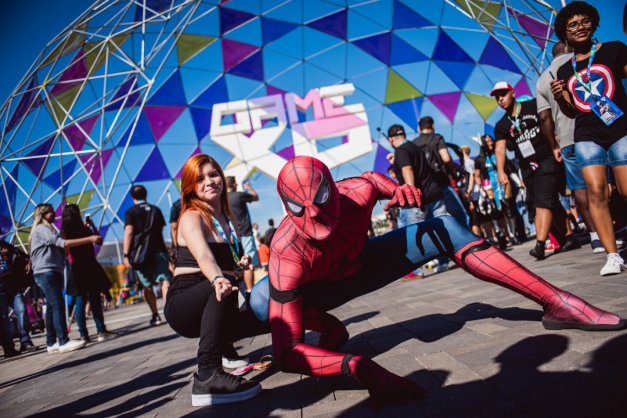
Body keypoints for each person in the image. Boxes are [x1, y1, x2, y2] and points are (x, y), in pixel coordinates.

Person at [248, 155, 626, 411]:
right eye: (303, 211)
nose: (316, 218)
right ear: (287, 209)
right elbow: (286, 352)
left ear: (332, 190)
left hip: (365, 264)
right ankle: (326, 326)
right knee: (263, 300)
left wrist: (397, 189)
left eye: (321, 203)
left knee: (446, 227)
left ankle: (557, 301)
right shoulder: (287, 250)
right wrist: (359, 368)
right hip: (321, 289)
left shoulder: (354, 194)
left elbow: (371, 181)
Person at [164, 154, 268, 406]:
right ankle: (208, 374)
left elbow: (223, 259)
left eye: (213, 174)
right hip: (185, 304)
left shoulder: (229, 219)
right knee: (224, 288)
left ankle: (288, 345)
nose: (209, 182)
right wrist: (218, 278)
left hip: (216, 297)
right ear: (190, 187)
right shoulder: (191, 217)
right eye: (199, 179)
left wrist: (237, 265)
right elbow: (203, 256)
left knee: (265, 313)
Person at [552, 1, 627, 275]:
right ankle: (612, 255)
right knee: (595, 191)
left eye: (584, 22)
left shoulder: (614, 49)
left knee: (626, 188)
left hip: (621, 127)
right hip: (587, 134)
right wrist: (561, 96)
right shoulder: (563, 70)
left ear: (593, 24)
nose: (579, 28)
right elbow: (571, 111)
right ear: (565, 33)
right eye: (572, 25)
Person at [491, 81, 580, 260]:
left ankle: (539, 244)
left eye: (503, 94)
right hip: (526, 167)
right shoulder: (501, 125)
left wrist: (556, 144)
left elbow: (550, 119)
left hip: (546, 158)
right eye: (497, 97)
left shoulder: (532, 105)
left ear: (513, 93)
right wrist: (501, 171)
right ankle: (570, 238)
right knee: (550, 201)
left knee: (543, 200)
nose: (500, 99)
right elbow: (500, 149)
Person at [537, 40, 603, 253]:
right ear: (569, 48)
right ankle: (613, 224)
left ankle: (594, 235)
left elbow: (545, 117)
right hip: (596, 129)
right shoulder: (580, 61)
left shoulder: (543, 79)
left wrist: (553, 144)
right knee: (604, 180)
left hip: (566, 139)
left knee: (579, 187)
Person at [29, 203, 100, 354]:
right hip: (46, 272)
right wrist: (89, 238)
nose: (54, 214)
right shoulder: (42, 229)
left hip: (50, 271)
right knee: (58, 304)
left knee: (52, 307)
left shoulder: (46, 230)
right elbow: (61, 244)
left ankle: (51, 342)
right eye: (51, 212)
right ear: (43, 214)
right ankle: (63, 341)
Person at [388, 124, 444, 279]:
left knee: (411, 236)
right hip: (433, 194)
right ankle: (447, 259)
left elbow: (407, 169)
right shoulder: (415, 147)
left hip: (415, 201)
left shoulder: (400, 150)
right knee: (441, 230)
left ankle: (416, 271)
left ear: (390, 139)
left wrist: (410, 194)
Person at [414, 117, 470, 271]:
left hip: (427, 190)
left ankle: (443, 261)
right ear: (433, 125)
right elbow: (446, 157)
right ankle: (467, 249)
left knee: (435, 226)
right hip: (444, 185)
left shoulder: (414, 144)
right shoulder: (437, 138)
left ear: (419, 128)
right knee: (460, 216)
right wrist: (452, 171)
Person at [61, 204, 117, 343]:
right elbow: (99, 241)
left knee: (80, 300)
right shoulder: (84, 229)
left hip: (76, 268)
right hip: (90, 265)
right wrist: (91, 226)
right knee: (94, 299)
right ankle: (101, 330)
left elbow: (65, 251)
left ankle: (83, 334)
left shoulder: (65, 233)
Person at [123, 185, 171, 324]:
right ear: (146, 195)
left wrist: (126, 254)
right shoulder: (156, 210)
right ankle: (170, 312)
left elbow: (129, 232)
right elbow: (160, 231)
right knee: (164, 280)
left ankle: (155, 315)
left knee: (147, 285)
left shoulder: (131, 212)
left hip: (142, 254)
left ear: (133, 198)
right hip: (160, 250)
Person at [0, 241, 38, 357]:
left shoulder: (5, 246)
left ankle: (25, 341)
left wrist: (26, 262)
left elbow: (21, 255)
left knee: (22, 311)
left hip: (13, 286)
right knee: (4, 320)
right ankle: (8, 348)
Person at [226, 177, 259, 292]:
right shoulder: (239, 195)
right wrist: (248, 187)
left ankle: (241, 294)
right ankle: (250, 293)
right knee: (248, 264)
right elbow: (256, 197)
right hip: (245, 233)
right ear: (234, 184)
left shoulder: (223, 199)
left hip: (232, 236)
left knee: (237, 266)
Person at [168, 198, 182, 298]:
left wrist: (175, 244)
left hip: (181, 241)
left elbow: (174, 226)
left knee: (176, 267)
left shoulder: (177, 204)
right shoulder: (199, 200)